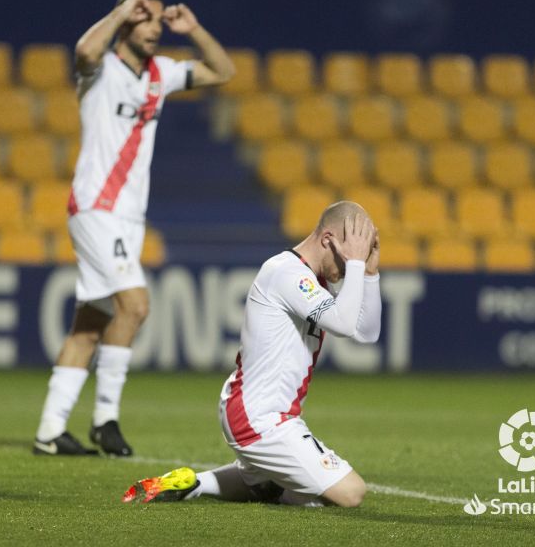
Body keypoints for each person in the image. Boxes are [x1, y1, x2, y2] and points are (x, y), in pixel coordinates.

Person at [33, 0, 235, 457]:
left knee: (90, 324)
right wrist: (119, 11)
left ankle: (50, 431)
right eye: (144, 18)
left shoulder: (162, 73)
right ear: (125, 22)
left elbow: (224, 71)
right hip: (96, 206)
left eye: (158, 21)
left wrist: (194, 30)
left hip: (128, 216)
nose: (153, 27)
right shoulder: (100, 70)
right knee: (136, 306)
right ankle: (105, 419)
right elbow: (84, 50)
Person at [123, 202, 381, 507]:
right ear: (328, 240)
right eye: (348, 257)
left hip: (267, 413)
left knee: (267, 485)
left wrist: (369, 273)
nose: (347, 269)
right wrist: (356, 265)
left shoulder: (312, 278)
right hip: (259, 417)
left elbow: (365, 333)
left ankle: (196, 484)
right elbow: (344, 324)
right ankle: (278, 489)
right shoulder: (286, 272)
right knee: (350, 492)